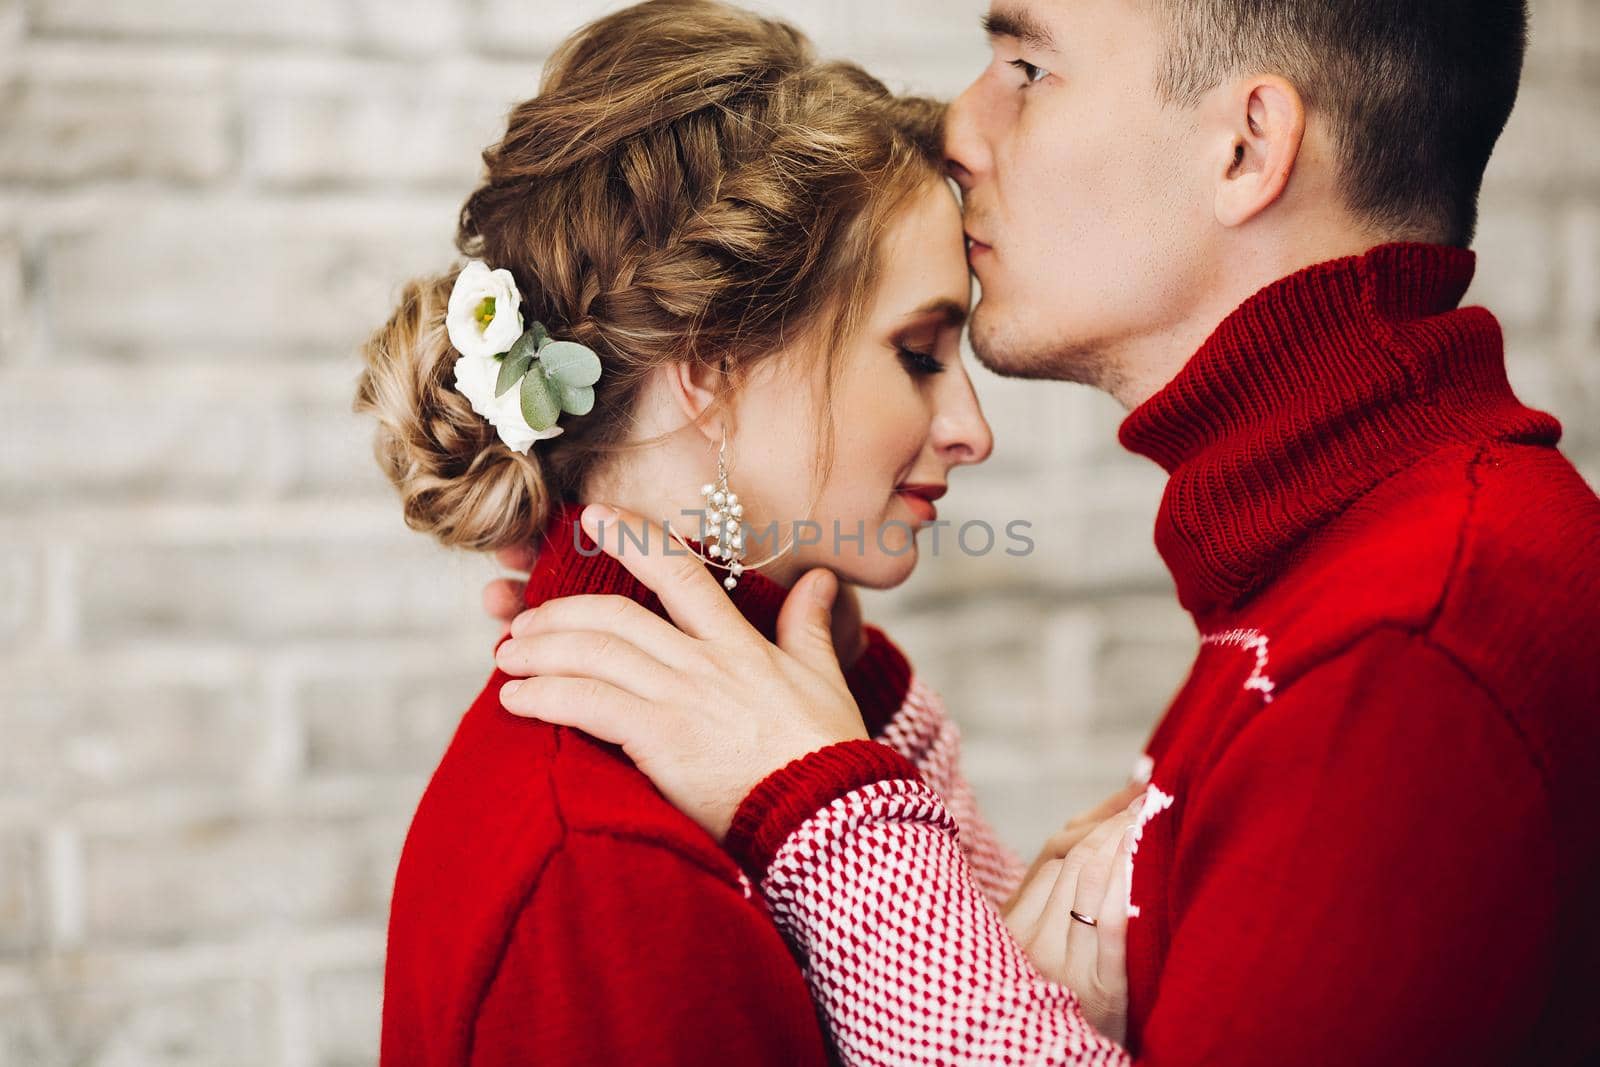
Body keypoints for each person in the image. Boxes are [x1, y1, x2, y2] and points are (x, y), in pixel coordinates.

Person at [491, 0, 1600, 1064]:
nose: (955, 127)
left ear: (1245, 148)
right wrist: (812, 674)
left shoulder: (1410, 647)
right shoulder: (1344, 576)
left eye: (1026, 69)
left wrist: (825, 809)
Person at [354, 2, 1138, 1063]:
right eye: (916, 352)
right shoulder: (606, 865)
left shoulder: (776, 744)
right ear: (710, 364)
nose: (970, 431)